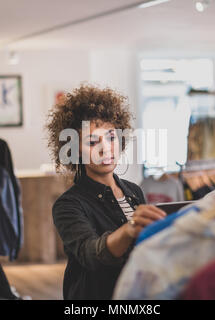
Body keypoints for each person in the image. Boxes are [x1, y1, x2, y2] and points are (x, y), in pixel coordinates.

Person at [46, 85, 166, 300]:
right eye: (93, 142)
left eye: (111, 138)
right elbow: (91, 254)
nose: (106, 149)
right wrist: (129, 229)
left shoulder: (134, 191)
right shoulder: (68, 205)